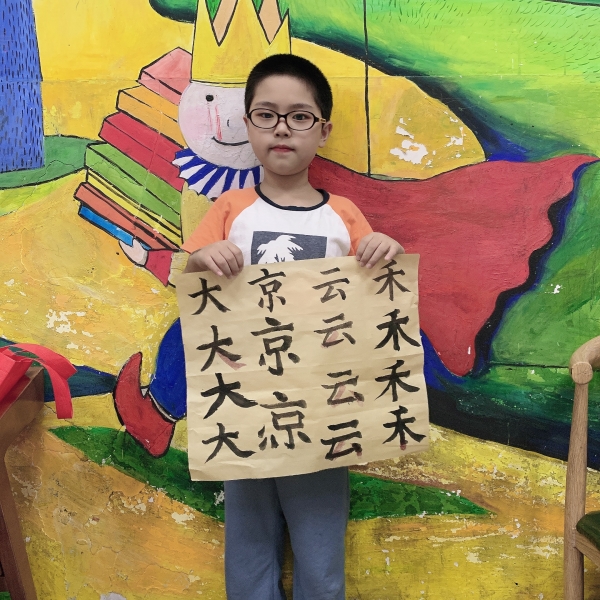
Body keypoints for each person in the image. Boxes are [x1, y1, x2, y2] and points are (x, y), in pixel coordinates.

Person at [181, 54, 404, 600]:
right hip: (245, 407)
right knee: (248, 548)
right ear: (248, 125)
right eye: (267, 114)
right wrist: (202, 258)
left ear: (323, 130)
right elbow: (191, 284)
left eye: (300, 116)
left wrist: (384, 247)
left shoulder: (343, 215)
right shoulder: (229, 208)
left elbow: (375, 296)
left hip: (324, 412)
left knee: (321, 554)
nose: (282, 128)